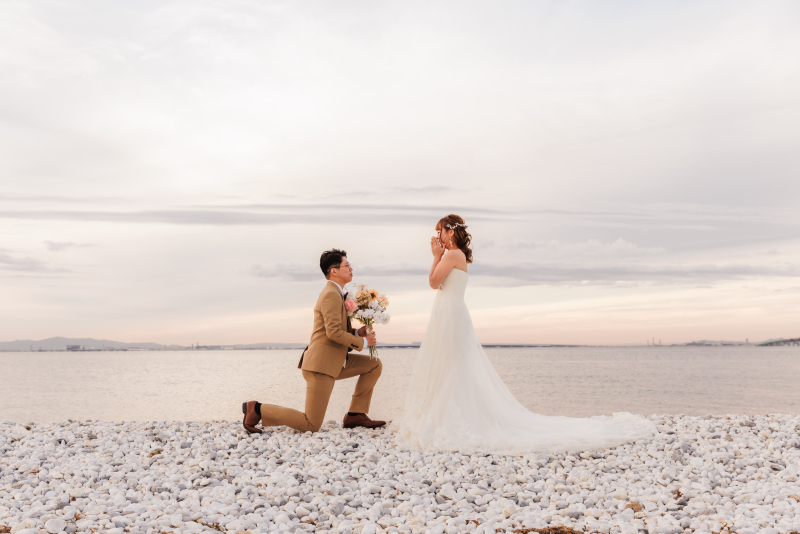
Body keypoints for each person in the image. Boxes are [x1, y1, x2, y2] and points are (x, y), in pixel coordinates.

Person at [389, 215, 655, 454]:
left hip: (450, 313)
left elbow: (433, 282)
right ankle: (442, 413)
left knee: (452, 364)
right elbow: (437, 284)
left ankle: (450, 417)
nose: (437, 236)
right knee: (449, 364)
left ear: (450, 232)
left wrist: (434, 255)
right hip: (449, 312)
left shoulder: (452, 255)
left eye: (440, 231)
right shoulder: (455, 256)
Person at [242, 249, 386, 433]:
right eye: (347, 265)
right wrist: (365, 343)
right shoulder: (330, 294)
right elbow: (333, 333)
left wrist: (358, 333)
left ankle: (355, 415)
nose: (351, 268)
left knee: (374, 364)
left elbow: (338, 329)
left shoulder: (337, 293)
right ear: (334, 271)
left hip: (336, 361)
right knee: (310, 424)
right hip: (321, 366)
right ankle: (256, 409)